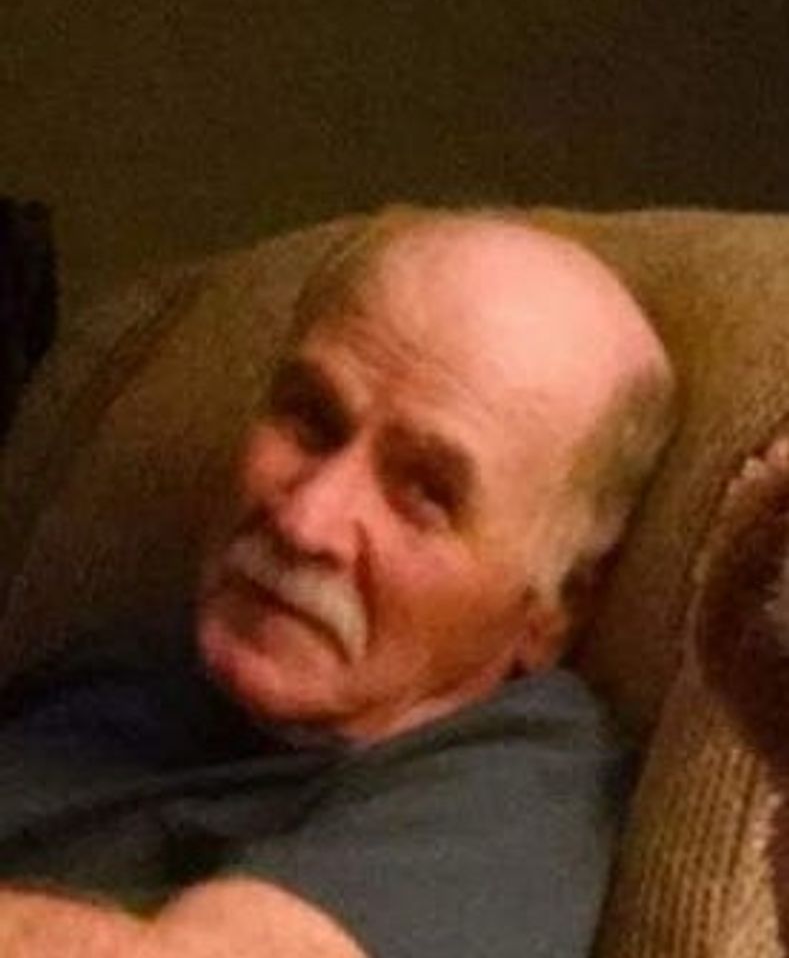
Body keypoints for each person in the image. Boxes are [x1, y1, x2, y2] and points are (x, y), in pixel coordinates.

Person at [0, 206, 676, 957]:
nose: (305, 523)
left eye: (425, 493)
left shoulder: (516, 786)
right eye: (310, 421)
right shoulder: (158, 656)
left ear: (552, 610)